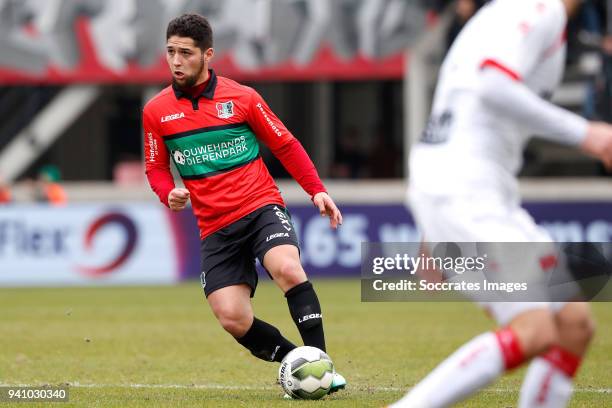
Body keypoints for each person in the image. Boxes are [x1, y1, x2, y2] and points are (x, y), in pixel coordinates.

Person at [392, 0, 612, 407]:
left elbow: (457, 105)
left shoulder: (516, 15)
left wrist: (432, 233)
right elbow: (491, 84)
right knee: (535, 331)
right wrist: (589, 135)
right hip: (467, 188)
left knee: (573, 325)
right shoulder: (535, 9)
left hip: (464, 185)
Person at [143, 14, 346, 396]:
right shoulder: (156, 111)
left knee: (287, 268)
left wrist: (316, 189)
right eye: (170, 51)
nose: (175, 61)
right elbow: (155, 167)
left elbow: (285, 144)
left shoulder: (243, 97)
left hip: (259, 207)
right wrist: (166, 192)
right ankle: (298, 363)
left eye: (185, 53)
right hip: (215, 227)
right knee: (232, 317)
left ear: (208, 55)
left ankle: (322, 364)